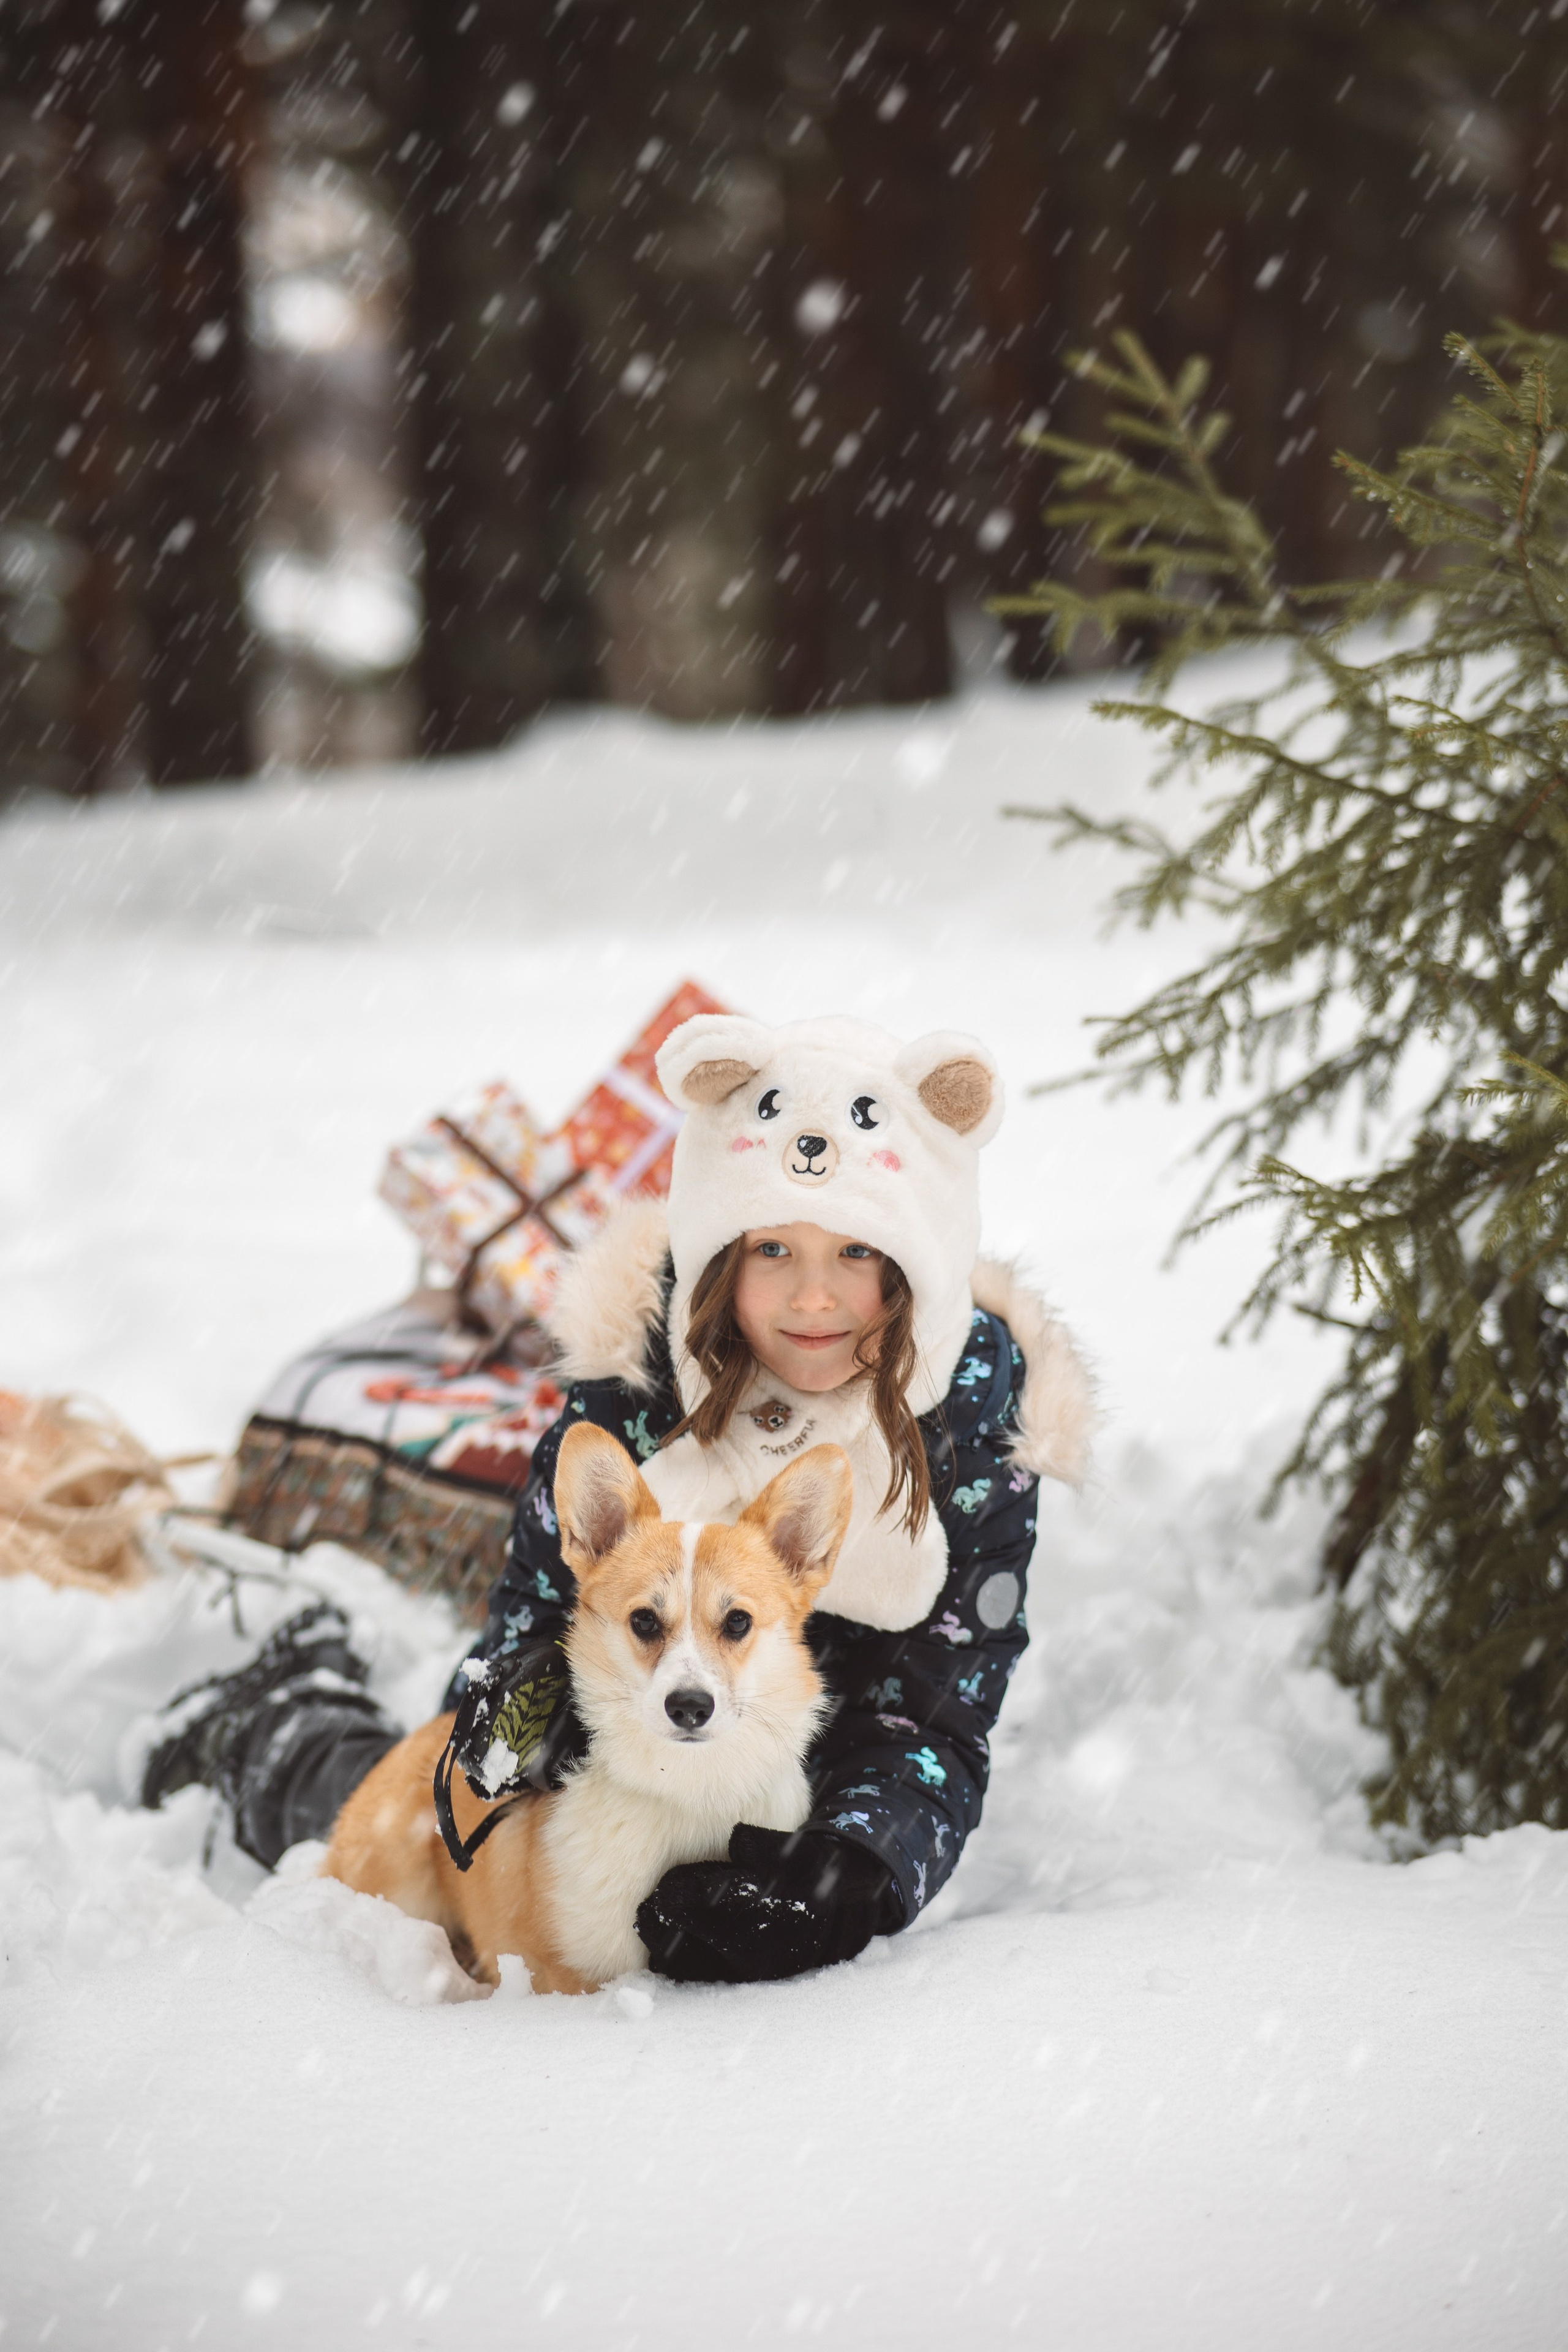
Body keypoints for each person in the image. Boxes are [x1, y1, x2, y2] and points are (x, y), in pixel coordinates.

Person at [143, 1014, 1092, 1981]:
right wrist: (523, 1723)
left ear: (914, 1262)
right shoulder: (643, 1364)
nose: (815, 1298)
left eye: (856, 1253)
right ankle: (274, 1724)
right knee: (387, 1816)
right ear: (720, 1254)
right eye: (773, 1251)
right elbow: (535, 1609)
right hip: (618, 1747)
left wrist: (856, 1866)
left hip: (810, 1773)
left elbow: (933, 1714)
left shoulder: (976, 1427)